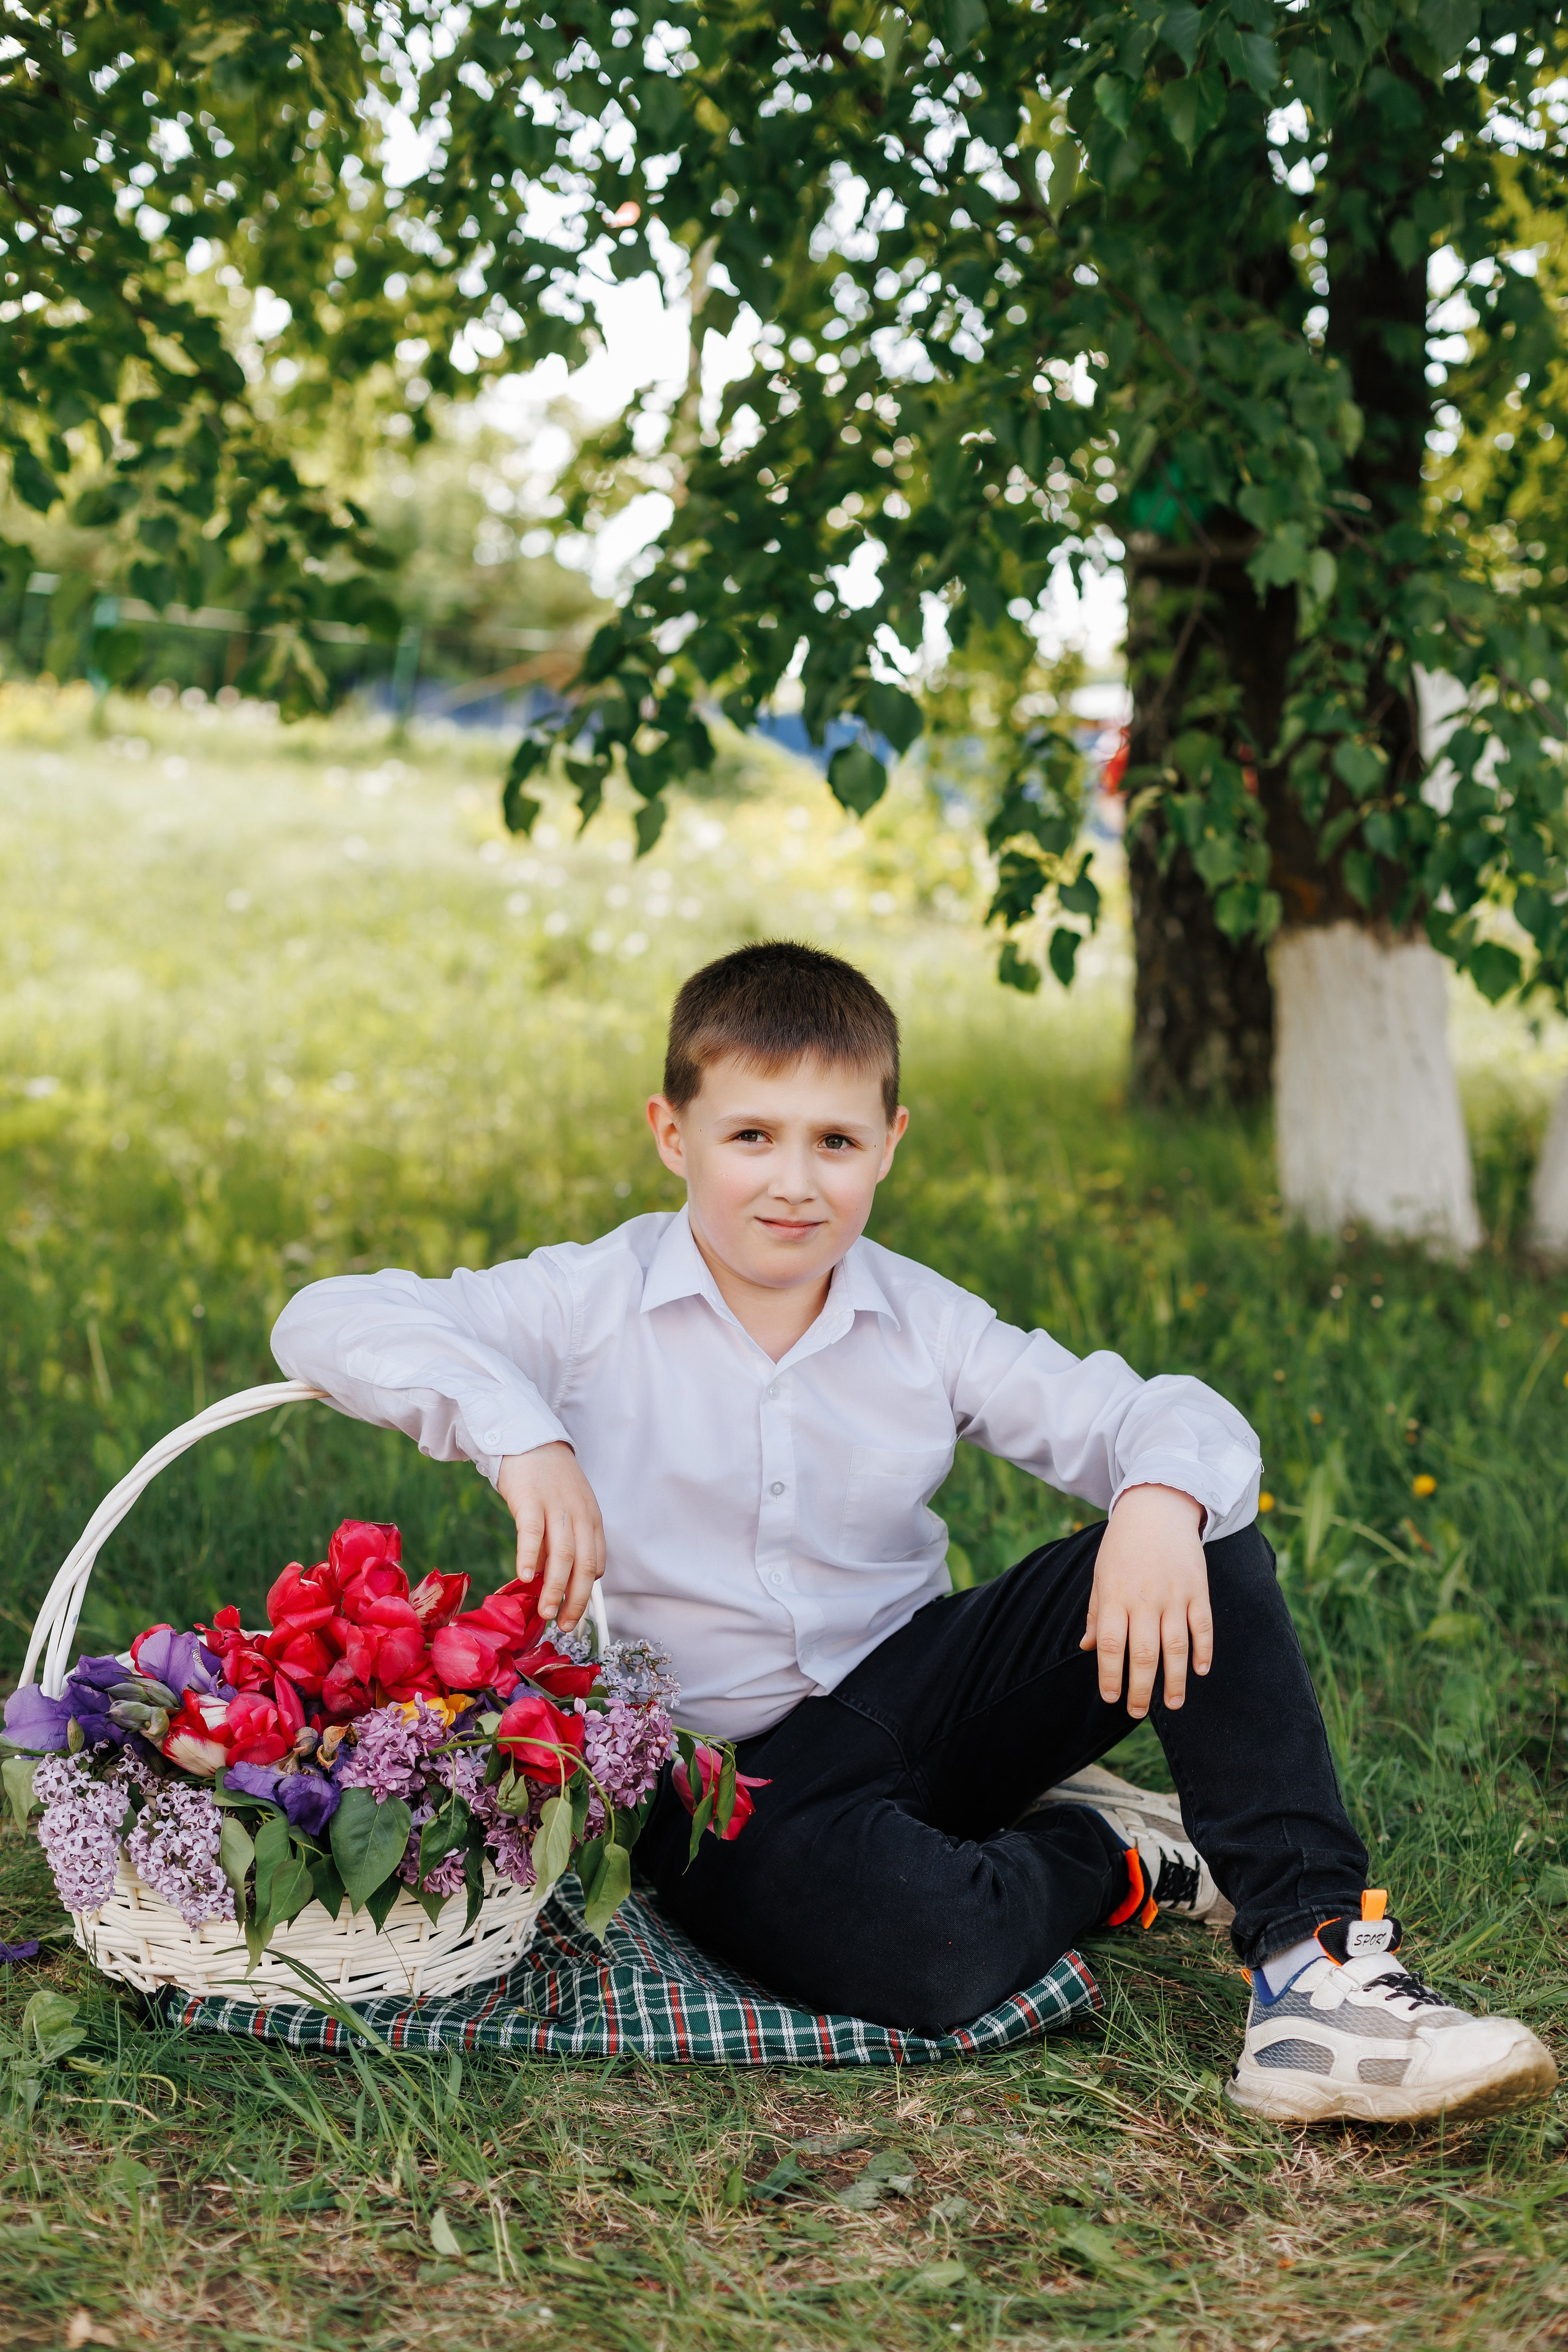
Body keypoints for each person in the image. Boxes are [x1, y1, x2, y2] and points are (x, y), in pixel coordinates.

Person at [273, 940, 1555, 2125]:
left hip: (920, 1704)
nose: (793, 1182)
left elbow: (1157, 1415)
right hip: (720, 1781)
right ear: (672, 1134)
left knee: (1203, 1530)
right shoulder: (584, 1303)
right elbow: (329, 1315)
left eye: (834, 1140)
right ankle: (1103, 1850)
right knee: (932, 1955)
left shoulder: (924, 1322)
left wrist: (1159, 1499)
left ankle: (1311, 1974)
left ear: (888, 1144)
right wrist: (522, 1437)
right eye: (750, 1135)